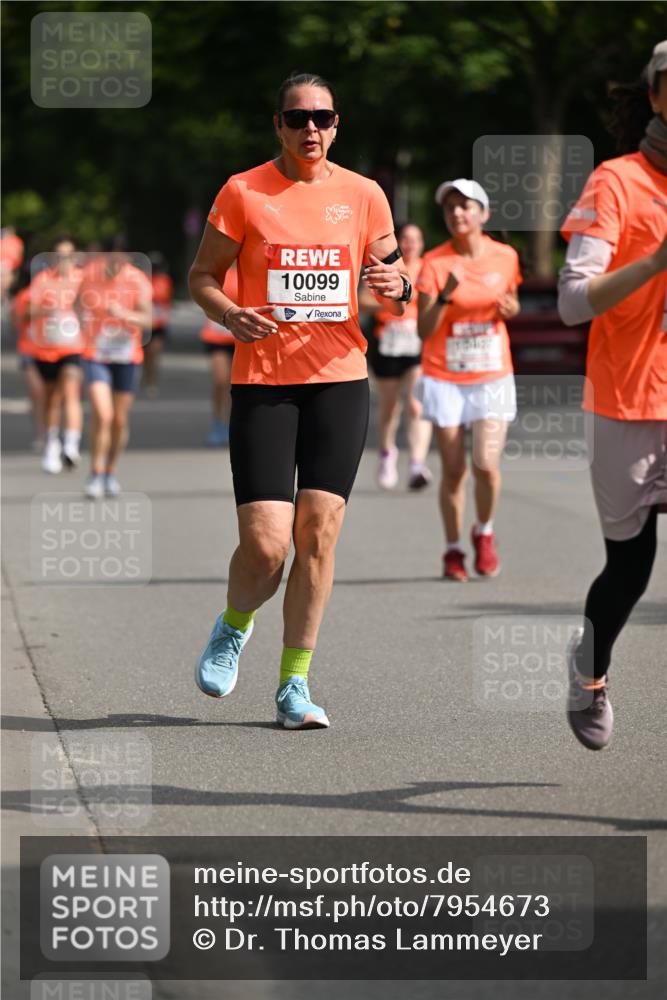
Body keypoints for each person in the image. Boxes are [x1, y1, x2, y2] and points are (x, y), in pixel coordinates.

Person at [188, 71, 410, 729]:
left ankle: (293, 684)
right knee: (266, 548)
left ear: (336, 124)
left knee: (318, 534)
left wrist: (397, 281)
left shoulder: (365, 194)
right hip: (264, 382)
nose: (309, 128)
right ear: (277, 126)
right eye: (296, 118)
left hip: (340, 380)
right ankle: (234, 623)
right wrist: (230, 313)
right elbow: (201, 276)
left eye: (322, 117)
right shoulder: (244, 191)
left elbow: (392, 277)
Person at [558, 40, 667, 751]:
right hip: (628, 400)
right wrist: (655, 262)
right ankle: (589, 670)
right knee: (629, 565)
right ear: (656, 94)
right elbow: (571, 303)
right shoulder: (615, 181)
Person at [416, 179, 521, 581]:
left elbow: (507, 304)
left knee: (486, 464)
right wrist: (444, 296)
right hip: (445, 375)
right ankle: (453, 549)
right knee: (455, 469)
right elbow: (424, 330)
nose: (457, 214)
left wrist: (511, 308)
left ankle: (485, 532)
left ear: (484, 213)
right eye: (450, 209)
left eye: (466, 206)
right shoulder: (434, 262)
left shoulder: (506, 257)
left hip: (492, 373)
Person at [361, 222, 433, 489]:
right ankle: (387, 453)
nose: (411, 244)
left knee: (416, 403)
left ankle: (416, 464)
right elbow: (362, 300)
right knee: (390, 405)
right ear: (398, 243)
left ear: (422, 244)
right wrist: (397, 298)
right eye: (406, 239)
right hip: (388, 342)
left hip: (416, 344)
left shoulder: (430, 267)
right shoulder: (386, 269)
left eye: (416, 239)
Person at [79, 238, 152, 498]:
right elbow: (76, 304)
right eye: (114, 259)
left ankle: (110, 471)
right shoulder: (89, 275)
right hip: (96, 353)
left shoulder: (137, 280)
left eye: (124, 260)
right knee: (103, 413)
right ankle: (96, 472)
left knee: (119, 420)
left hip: (127, 355)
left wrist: (126, 315)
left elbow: (147, 318)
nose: (118, 264)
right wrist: (82, 326)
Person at [25, 237, 84, 473]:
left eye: (68, 256)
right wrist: (46, 309)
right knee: (52, 400)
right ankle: (52, 444)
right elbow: (27, 311)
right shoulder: (42, 280)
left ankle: (71, 445)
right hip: (46, 348)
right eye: (59, 255)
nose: (64, 261)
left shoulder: (82, 280)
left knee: (70, 391)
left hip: (73, 347)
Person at [200, 265, 237, 446]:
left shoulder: (251, 268)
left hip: (243, 336)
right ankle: (217, 422)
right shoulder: (218, 269)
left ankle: (233, 424)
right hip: (217, 335)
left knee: (236, 385)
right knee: (220, 380)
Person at [142, 251, 173, 397]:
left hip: (158, 324)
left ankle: (151, 382)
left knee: (154, 354)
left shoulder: (164, 281)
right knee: (145, 355)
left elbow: (166, 299)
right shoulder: (142, 280)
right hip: (145, 324)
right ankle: (145, 376)